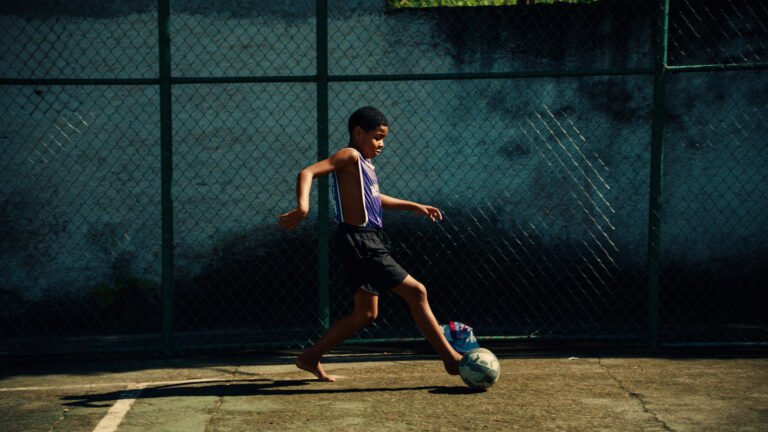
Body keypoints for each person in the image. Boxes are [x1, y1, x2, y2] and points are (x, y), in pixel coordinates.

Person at [278, 106, 462, 382]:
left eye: (383, 138)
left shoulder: (365, 165)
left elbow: (375, 198)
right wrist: (302, 207)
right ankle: (451, 358)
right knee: (417, 292)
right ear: (358, 133)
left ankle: (310, 357)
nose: (381, 144)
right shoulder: (349, 156)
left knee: (365, 314)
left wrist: (414, 206)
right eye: (377, 137)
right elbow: (307, 172)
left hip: (364, 239)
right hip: (359, 241)